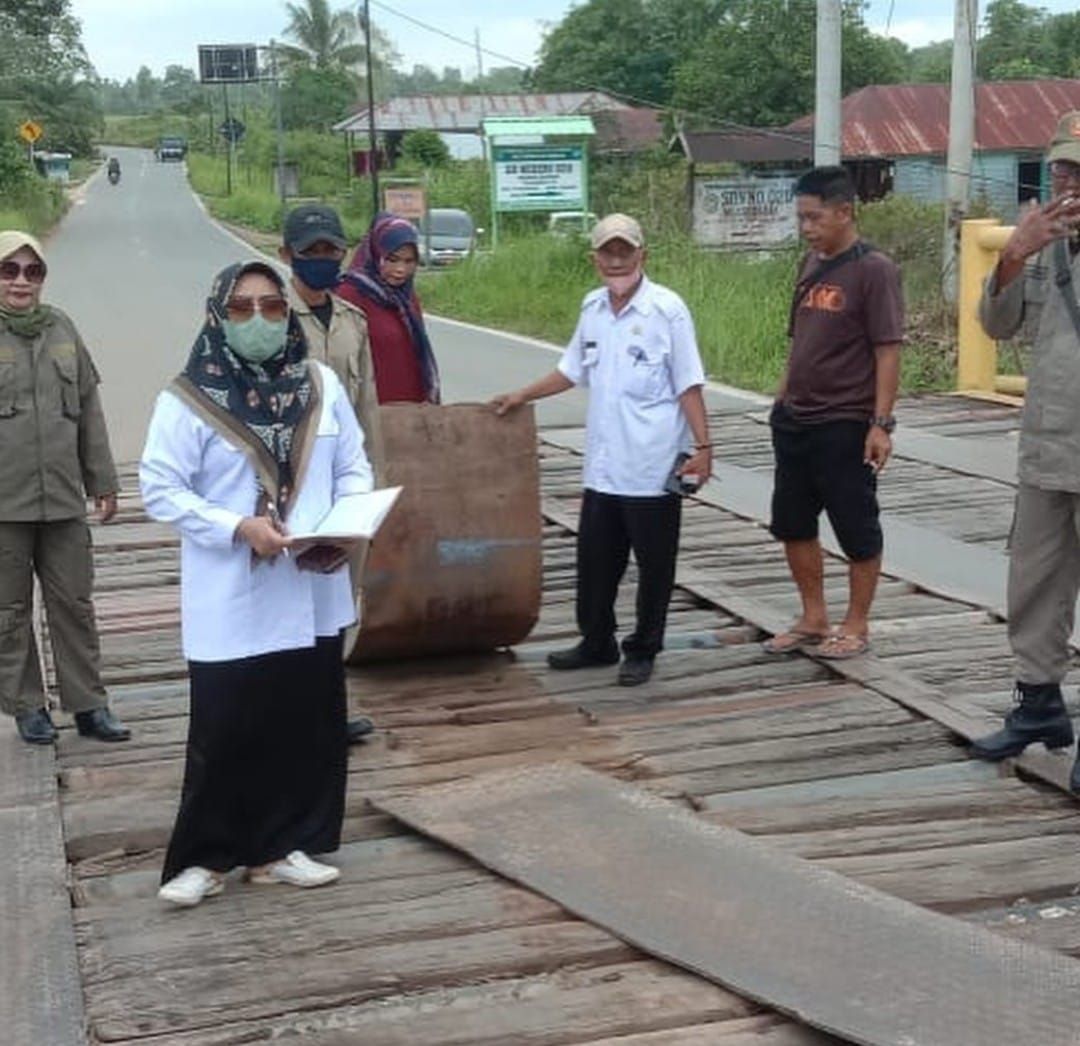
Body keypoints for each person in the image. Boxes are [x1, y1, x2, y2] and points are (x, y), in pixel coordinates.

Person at [141, 260, 373, 907]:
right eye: (241, 308)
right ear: (217, 316)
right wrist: (236, 527)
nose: (258, 320)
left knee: (303, 718)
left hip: (310, 578)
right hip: (233, 587)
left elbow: (353, 466)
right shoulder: (189, 398)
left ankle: (281, 847)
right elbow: (160, 487)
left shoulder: (320, 385)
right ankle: (206, 857)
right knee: (226, 725)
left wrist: (343, 525)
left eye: (271, 307)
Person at [492, 213, 711, 687]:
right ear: (594, 259)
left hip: (652, 465)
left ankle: (643, 648)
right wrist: (522, 395)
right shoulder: (592, 308)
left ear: (642, 255)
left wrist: (704, 446)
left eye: (624, 252)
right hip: (604, 466)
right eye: (607, 253)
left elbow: (688, 383)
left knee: (654, 565)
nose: (616, 262)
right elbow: (571, 370)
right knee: (595, 560)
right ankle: (596, 641)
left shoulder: (666, 310)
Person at [969, 112, 1080, 783]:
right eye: (1062, 168)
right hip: (1047, 445)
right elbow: (995, 323)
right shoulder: (1045, 244)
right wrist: (1015, 253)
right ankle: (1038, 703)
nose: (1067, 182)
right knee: (1034, 579)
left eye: (1078, 171)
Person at [762, 166, 903, 661]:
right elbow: (798, 339)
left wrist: (880, 424)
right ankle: (813, 616)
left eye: (814, 218)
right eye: (801, 218)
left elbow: (888, 349)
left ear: (845, 212)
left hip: (845, 419)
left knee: (856, 524)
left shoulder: (874, 270)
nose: (806, 228)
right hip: (795, 418)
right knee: (792, 522)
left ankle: (856, 623)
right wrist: (781, 400)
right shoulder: (810, 263)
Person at [0, 230, 129, 745]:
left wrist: (102, 480)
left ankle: (89, 705)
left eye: (33, 271)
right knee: (8, 612)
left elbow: (89, 409)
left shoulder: (62, 329)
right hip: (3, 507)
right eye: (9, 270)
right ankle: (28, 706)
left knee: (74, 603)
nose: (21, 281)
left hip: (62, 501)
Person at [280, 203, 384, 746]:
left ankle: (329, 711)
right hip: (291, 491)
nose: (323, 259)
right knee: (289, 604)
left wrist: (372, 490)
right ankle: (289, 715)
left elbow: (366, 410)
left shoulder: (352, 322)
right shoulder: (268, 320)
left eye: (331, 249)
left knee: (340, 600)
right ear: (287, 255)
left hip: (343, 488)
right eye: (311, 250)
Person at [336, 212, 440, 404]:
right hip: (370, 408)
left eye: (409, 261)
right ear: (376, 255)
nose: (401, 270)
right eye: (392, 260)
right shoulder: (349, 295)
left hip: (412, 409)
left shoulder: (406, 298)